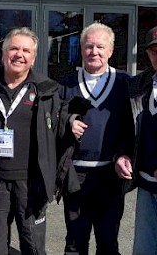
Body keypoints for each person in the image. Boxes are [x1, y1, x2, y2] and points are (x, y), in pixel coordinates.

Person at [0, 27, 69, 254]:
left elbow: (62, 121)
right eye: (14, 48)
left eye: (26, 50)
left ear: (33, 58)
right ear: (3, 54)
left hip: (31, 182)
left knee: (32, 246)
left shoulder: (47, 90)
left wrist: (73, 121)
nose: (19, 54)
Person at [59, 22, 134, 255]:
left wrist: (124, 153)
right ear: (81, 50)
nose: (94, 52)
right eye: (89, 46)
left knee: (108, 241)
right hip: (75, 174)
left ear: (110, 51)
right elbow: (53, 116)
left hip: (109, 175)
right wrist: (69, 119)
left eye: (100, 47)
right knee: (75, 242)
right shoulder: (67, 82)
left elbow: (131, 127)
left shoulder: (125, 83)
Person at [115, 25, 157, 254]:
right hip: (147, 186)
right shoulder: (138, 86)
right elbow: (127, 128)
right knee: (144, 249)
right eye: (154, 51)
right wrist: (122, 154)